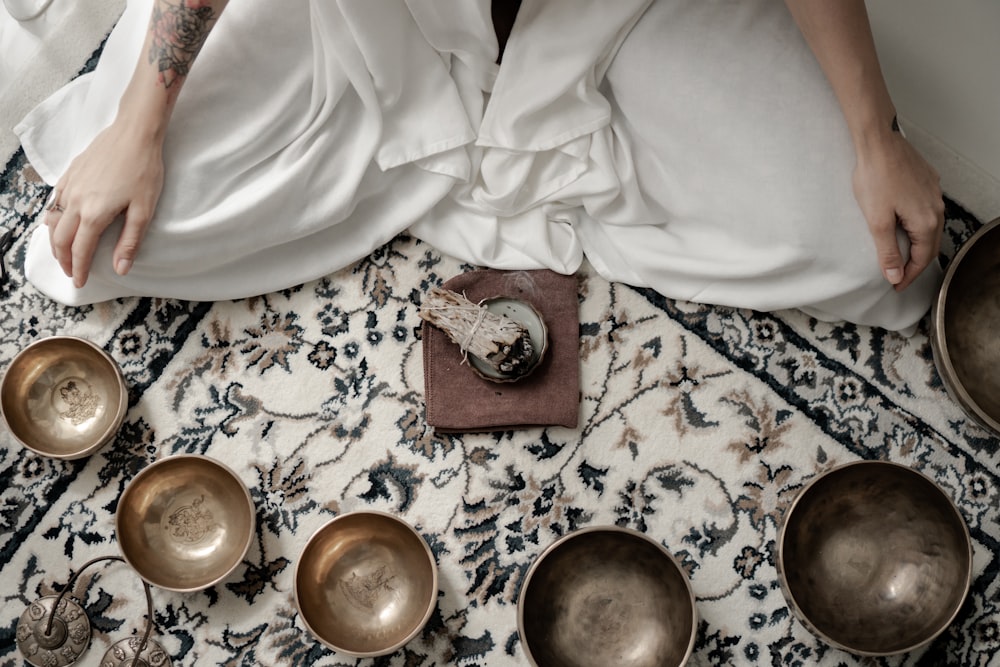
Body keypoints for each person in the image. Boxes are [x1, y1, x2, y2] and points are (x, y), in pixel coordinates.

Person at [17, 0, 944, 333]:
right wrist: (141, 126)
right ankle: (431, 149)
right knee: (100, 247)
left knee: (876, 256)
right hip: (371, 19)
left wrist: (876, 138)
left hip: (601, 21)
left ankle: (501, 143)